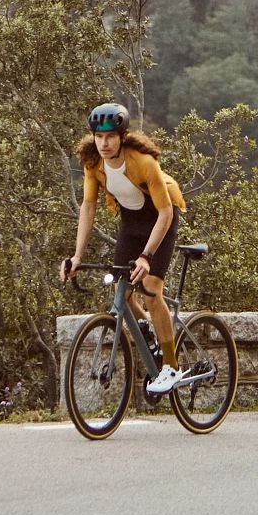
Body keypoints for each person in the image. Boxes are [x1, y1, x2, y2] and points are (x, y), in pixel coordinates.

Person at [59, 102, 189, 395]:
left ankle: (171, 366)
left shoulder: (143, 163)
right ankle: (149, 336)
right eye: (98, 136)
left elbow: (166, 213)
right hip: (131, 222)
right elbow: (89, 207)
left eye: (110, 137)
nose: (104, 143)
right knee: (124, 292)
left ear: (122, 136)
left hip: (160, 219)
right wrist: (77, 256)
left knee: (152, 290)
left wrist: (146, 256)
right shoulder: (93, 164)